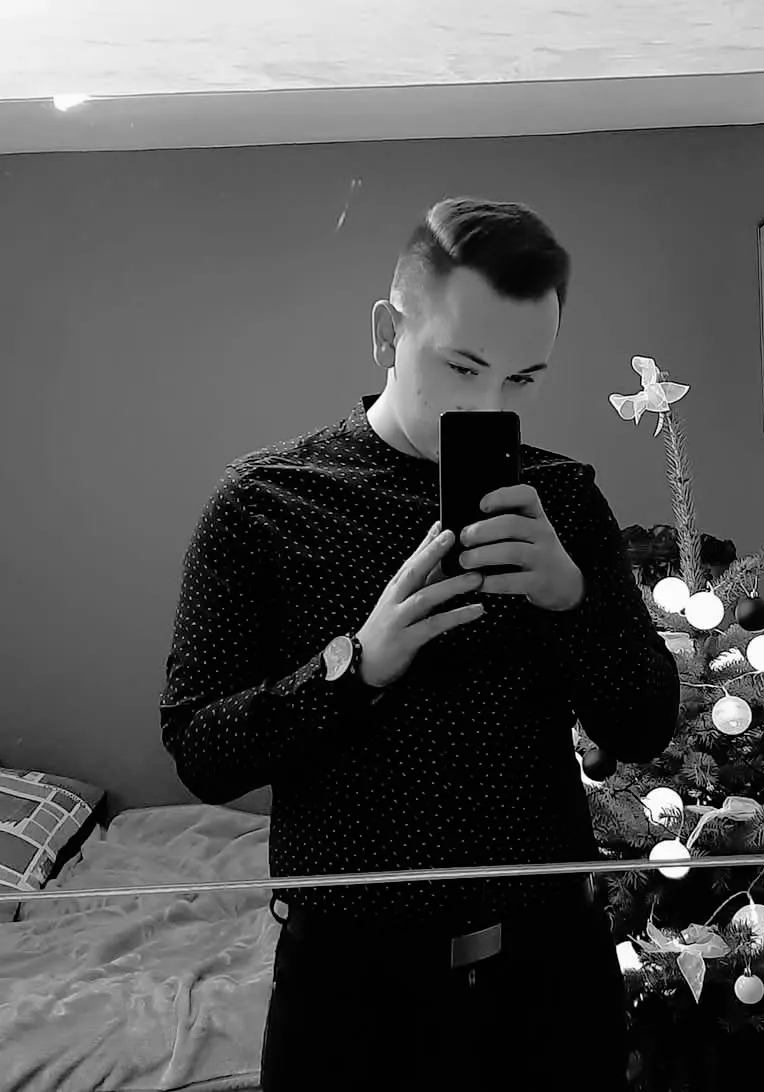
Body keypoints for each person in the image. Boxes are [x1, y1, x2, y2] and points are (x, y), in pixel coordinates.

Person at [159, 196, 681, 1090]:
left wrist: (573, 600)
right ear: (385, 334)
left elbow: (642, 726)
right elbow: (199, 750)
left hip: (549, 983)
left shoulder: (563, 500)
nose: (487, 404)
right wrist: (356, 666)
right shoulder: (262, 505)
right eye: (462, 366)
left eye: (522, 380)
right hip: (349, 995)